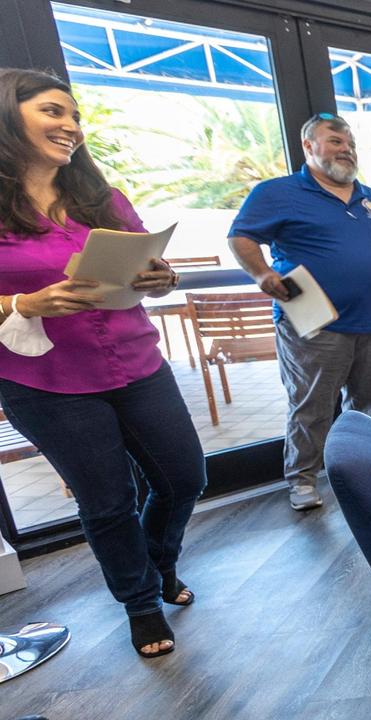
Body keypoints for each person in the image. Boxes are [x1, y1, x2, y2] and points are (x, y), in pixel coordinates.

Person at [0, 68, 205, 658]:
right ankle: (141, 604)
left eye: (74, 116)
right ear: (9, 117)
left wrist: (162, 278)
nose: (70, 126)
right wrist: (23, 302)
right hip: (47, 382)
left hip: (136, 363)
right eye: (53, 111)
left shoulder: (103, 198)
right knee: (106, 500)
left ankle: (159, 565)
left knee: (185, 477)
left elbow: (150, 267)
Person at [229, 113, 371, 511]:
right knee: (311, 406)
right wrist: (261, 273)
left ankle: (364, 473)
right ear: (308, 146)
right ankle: (302, 480)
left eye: (350, 143)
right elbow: (240, 236)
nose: (346, 148)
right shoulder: (276, 193)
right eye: (334, 141)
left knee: (369, 407)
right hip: (312, 322)